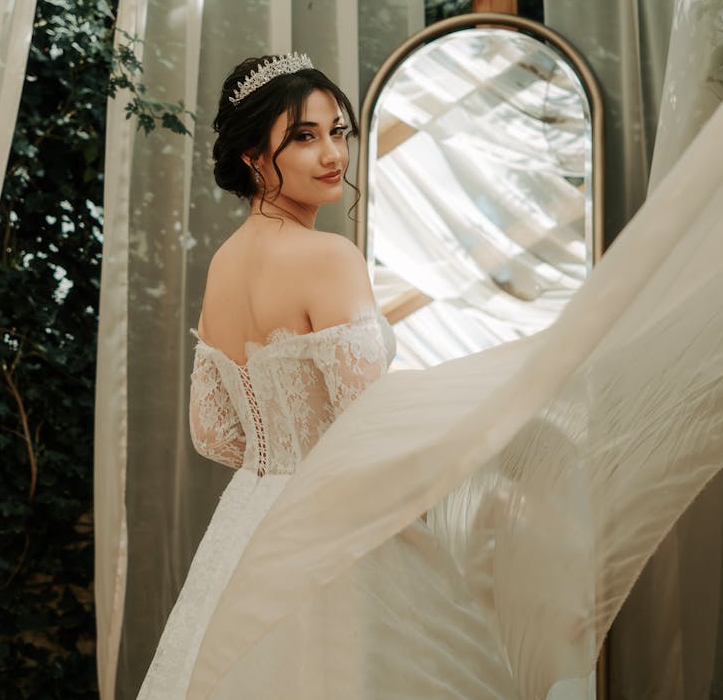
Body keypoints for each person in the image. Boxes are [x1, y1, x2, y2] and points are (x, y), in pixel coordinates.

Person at [137, 54, 514, 698]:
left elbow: (215, 434)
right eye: (305, 137)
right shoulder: (328, 257)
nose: (332, 152)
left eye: (337, 131)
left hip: (245, 535)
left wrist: (279, 456)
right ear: (255, 157)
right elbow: (370, 427)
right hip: (334, 534)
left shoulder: (224, 265)